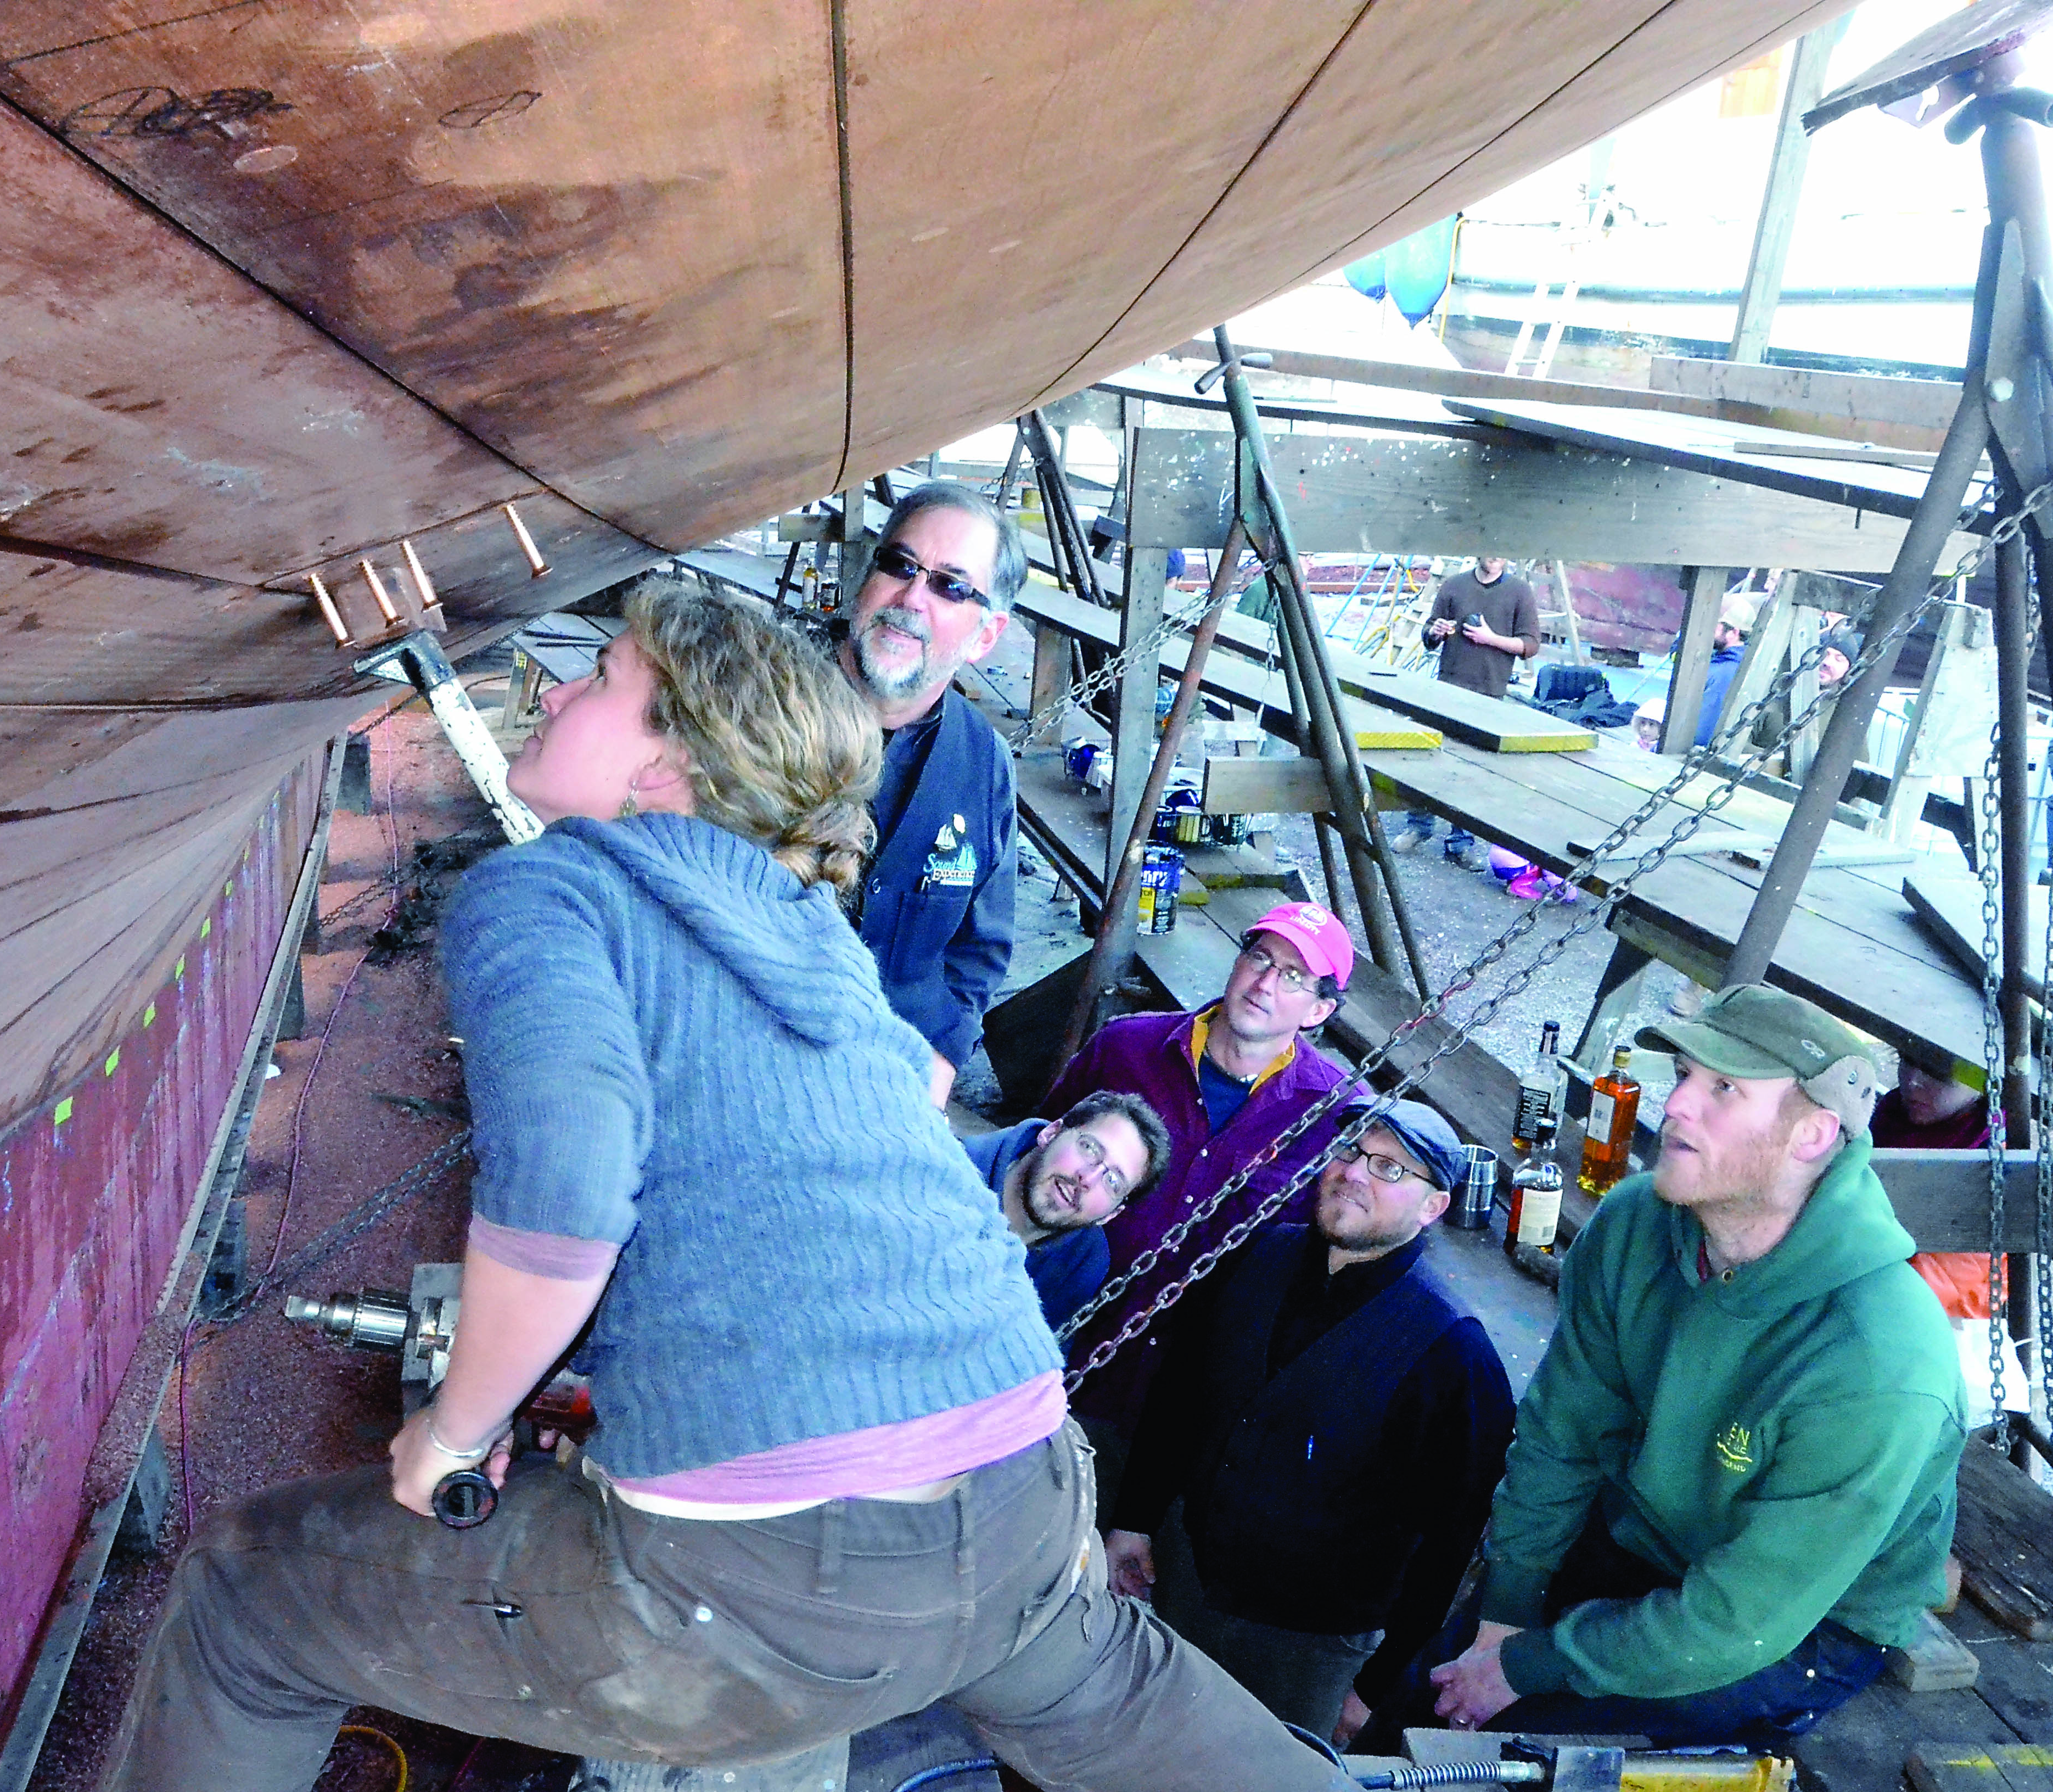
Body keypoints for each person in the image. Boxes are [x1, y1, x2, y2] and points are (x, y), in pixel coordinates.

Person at [103, 579, 1346, 1792]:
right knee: (1118, 1708)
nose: (557, 688)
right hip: (1023, 1498)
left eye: (600, 678)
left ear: (664, 770)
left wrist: (452, 1432)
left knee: (241, 1609)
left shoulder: (551, 889)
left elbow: (568, 1198)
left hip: (771, 1575)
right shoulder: (810, 933)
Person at [1430, 983, 1964, 1747]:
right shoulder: (1636, 1223)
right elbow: (1562, 1432)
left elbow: (1743, 1620)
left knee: (1512, 1755)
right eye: (1683, 1075)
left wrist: (1530, 1666)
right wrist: (1505, 1616)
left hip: (1804, 1620)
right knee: (1425, 1707)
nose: (1676, 1105)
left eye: (1723, 1090)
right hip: (1646, 1534)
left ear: (1812, 1136)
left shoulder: (1879, 1358)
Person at [1106, 1099, 1513, 1747]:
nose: (1353, 1172)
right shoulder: (1255, 1255)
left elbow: (1450, 1545)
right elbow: (1178, 1398)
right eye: (1349, 1150)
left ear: (1432, 1207)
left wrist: (1374, 1685)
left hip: (1309, 1654)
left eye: (1388, 1167)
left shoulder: (1452, 1354)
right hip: (1183, 1589)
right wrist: (1134, 1517)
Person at [1040, 903, 1355, 1486]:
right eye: (1259, 957)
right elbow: (1037, 1155)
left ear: (1318, 1011)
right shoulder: (1125, 1049)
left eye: (1291, 977)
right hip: (1066, 1358)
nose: (1263, 983)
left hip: (1199, 1408)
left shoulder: (1338, 1116)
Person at [840, 481, 1026, 1093]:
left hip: (889, 1080)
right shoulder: (753, 705)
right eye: (899, 565)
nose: (912, 596)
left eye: (950, 585)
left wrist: (944, 1059)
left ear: (984, 636)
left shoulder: (984, 765)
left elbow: (980, 951)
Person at [1870, 1062, 2024, 1433]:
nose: (1913, 1080)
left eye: (1939, 1071)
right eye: (1906, 1058)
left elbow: (1960, 1283)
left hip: (1930, 1335)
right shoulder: (1887, 1118)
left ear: (1981, 1081)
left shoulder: (1994, 1154)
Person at [963, 1090, 1175, 1331]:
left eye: (1113, 1182)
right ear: (1051, 1132)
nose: (1088, 1179)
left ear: (1111, 1215)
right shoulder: (947, 1173)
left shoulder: (1083, 1262)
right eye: (1090, 1149)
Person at [1398, 555, 1540, 865]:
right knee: (1430, 761)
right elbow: (1428, 638)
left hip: (1489, 695)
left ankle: (1460, 842)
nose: (1496, 556)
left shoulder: (1520, 592)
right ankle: (1418, 827)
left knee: (1471, 772)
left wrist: (1492, 639)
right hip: (1447, 688)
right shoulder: (1453, 585)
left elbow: (1531, 645)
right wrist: (1435, 631)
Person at [1692, 589, 1758, 749]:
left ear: (1733, 632)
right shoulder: (1721, 662)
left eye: (1714, 626)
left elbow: (1703, 732)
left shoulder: (1727, 672)